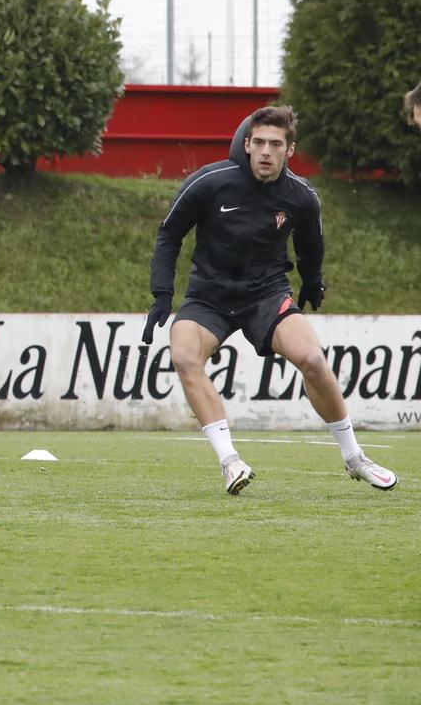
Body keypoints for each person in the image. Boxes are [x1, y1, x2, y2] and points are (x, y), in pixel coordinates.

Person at [144, 105, 396, 495]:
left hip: (266, 294)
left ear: (289, 149)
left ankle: (354, 457)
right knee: (183, 356)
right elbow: (169, 234)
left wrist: (313, 281)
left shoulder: (301, 196)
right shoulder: (210, 182)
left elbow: (312, 245)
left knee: (312, 358)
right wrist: (162, 293)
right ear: (246, 144)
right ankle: (230, 461)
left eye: (275, 144)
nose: (265, 150)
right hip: (209, 295)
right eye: (258, 142)